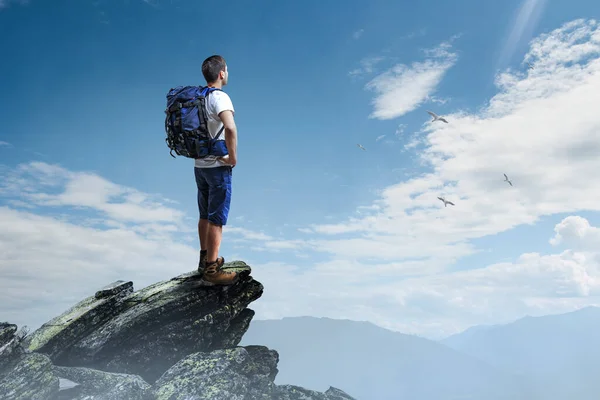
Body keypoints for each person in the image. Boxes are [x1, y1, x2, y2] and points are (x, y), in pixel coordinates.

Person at [194, 55, 238, 285]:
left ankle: (204, 260)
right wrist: (232, 157)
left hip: (199, 165)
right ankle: (212, 270)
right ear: (221, 73)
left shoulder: (198, 98)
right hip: (217, 167)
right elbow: (230, 128)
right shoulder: (220, 98)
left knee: (204, 214)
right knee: (217, 218)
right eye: (227, 70)